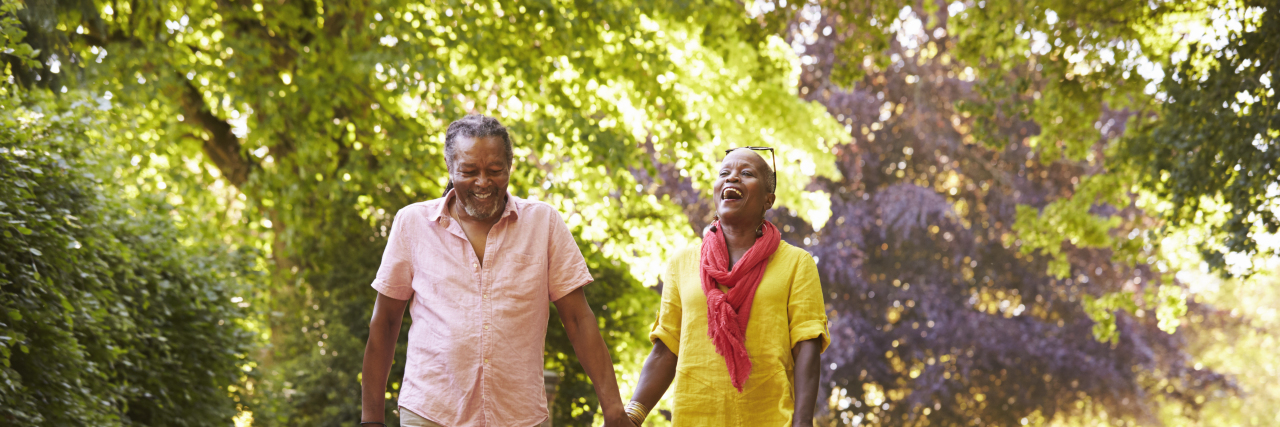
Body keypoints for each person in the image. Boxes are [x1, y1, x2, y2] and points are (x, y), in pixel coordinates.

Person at [359, 114, 628, 427]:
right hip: (432, 412)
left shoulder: (544, 224)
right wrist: (371, 419)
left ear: (510, 166)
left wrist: (614, 410)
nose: (483, 182)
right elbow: (386, 321)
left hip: (520, 416)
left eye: (495, 171)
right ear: (449, 167)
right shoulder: (412, 224)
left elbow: (579, 319)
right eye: (469, 171)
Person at [624, 147, 829, 426]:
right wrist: (633, 415)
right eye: (724, 173)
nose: (732, 178)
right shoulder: (682, 263)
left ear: (768, 199)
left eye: (746, 173)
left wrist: (803, 423)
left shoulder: (796, 263)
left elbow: (806, 346)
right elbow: (666, 349)